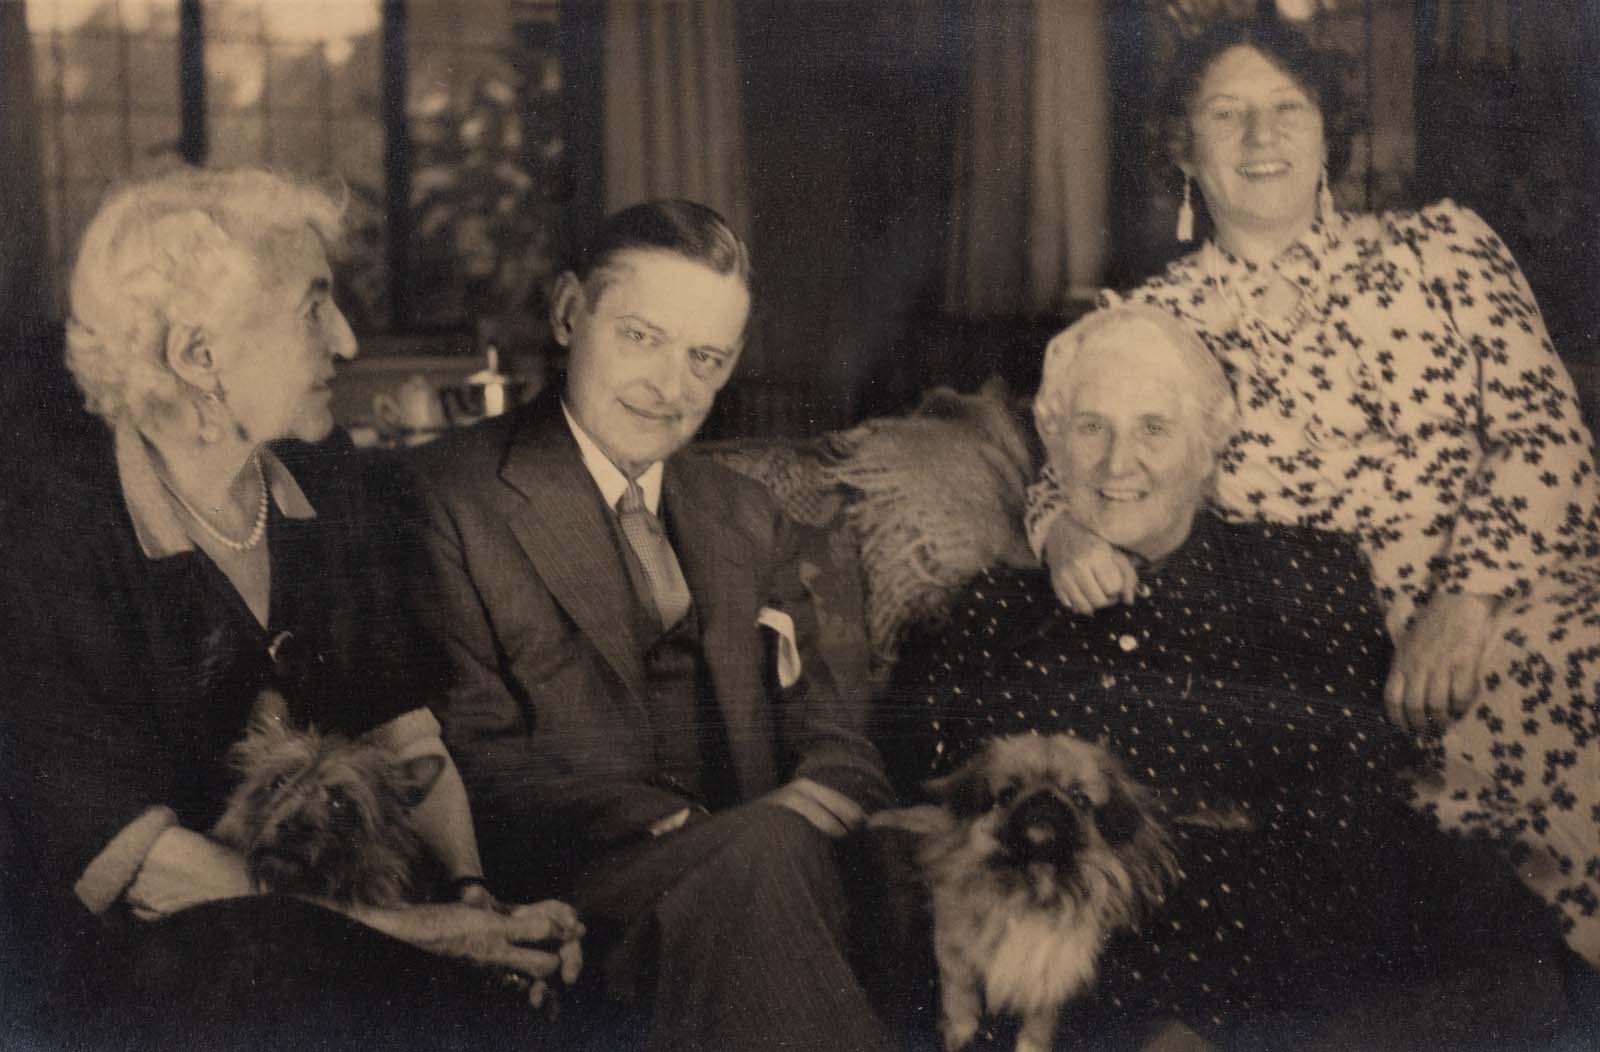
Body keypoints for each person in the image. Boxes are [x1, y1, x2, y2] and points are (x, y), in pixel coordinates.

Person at [1027, 16, 1600, 969]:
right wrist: (1062, 536)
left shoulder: (1447, 249)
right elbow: (1073, 461)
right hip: (1335, 648)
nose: (1263, 139)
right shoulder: (1160, 318)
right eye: (1228, 114)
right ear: (1185, 150)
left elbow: (1545, 433)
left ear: (1328, 131)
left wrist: (1466, 601)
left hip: (1511, 594)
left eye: (1287, 110)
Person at [0, 168, 580, 1052]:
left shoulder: (323, 478)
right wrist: (422, 936)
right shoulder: (49, 537)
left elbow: (399, 730)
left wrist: (468, 896)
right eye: (313, 309)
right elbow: (150, 874)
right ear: (198, 357)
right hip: (139, 977)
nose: (346, 340)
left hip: (326, 944)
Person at [880, 304, 1568, 1048]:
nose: (1118, 463)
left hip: (1290, 964)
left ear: (1211, 443)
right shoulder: (997, 611)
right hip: (1080, 981)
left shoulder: (1305, 576)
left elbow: (1352, 814)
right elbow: (939, 820)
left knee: (1504, 954)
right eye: (1090, 428)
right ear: (1052, 441)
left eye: (1154, 428)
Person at [409, 199, 898, 1052]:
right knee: (770, 855)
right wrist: (710, 832)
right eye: (641, 337)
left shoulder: (747, 512)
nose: (670, 388)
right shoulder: (450, 496)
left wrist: (808, 805)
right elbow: (471, 758)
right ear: (570, 313)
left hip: (767, 875)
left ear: (733, 360)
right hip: (583, 896)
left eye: (704, 359)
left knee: (820, 860)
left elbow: (834, 728)